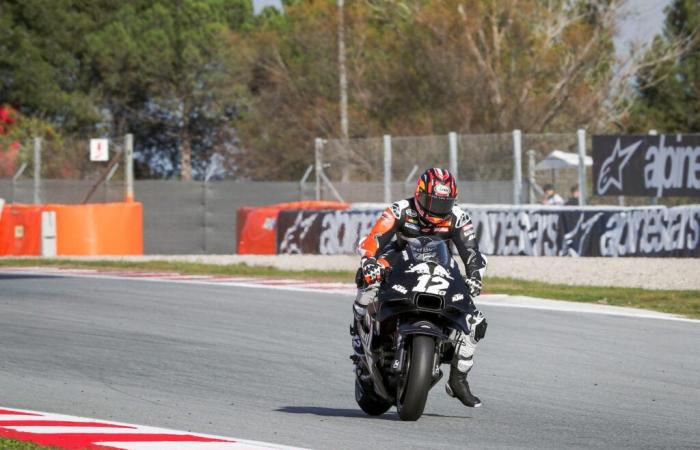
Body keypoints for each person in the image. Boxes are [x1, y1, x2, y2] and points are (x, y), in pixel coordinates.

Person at [351, 168, 488, 408]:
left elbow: (472, 253)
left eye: (444, 203)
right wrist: (369, 262)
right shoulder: (400, 210)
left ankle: (458, 379)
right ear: (419, 194)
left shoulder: (458, 217)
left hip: (441, 263)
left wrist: (475, 276)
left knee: (475, 321)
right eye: (432, 201)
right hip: (399, 257)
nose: (437, 208)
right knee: (367, 284)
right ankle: (358, 337)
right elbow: (373, 239)